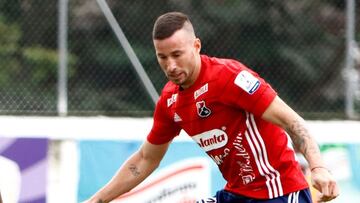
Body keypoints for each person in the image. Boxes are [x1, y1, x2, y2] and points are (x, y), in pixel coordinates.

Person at [84, 11, 339, 203]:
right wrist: (96, 200)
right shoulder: (170, 101)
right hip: (236, 195)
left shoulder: (230, 77)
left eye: (177, 54)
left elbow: (293, 122)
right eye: (163, 57)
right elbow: (145, 159)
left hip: (279, 193)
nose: (170, 65)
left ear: (196, 46)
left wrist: (317, 167)